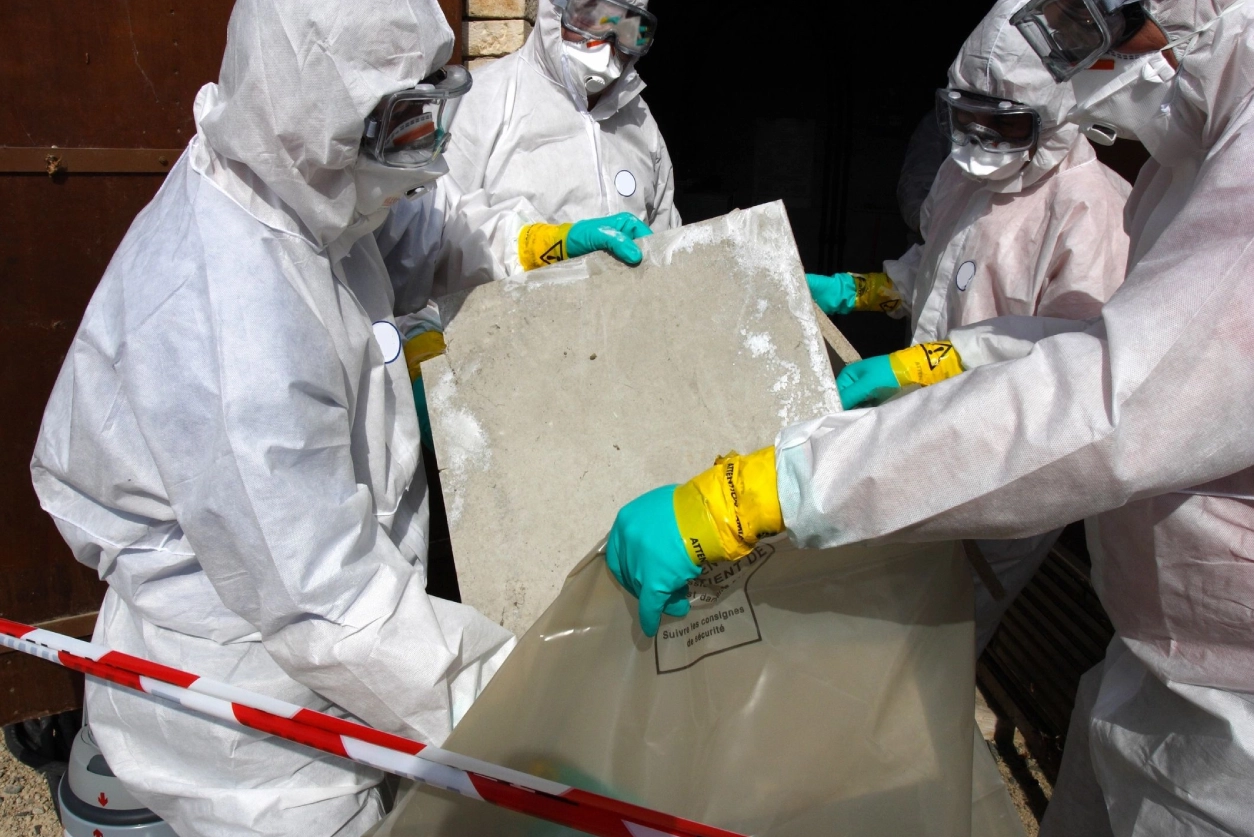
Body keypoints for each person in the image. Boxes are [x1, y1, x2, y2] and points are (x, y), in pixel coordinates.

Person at [604, 0, 1254, 834]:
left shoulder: (1111, 191)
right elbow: (1082, 341)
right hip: (1153, 654)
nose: (1076, 51)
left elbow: (1107, 401)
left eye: (1086, 21)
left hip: (1229, 711)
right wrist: (910, 338)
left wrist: (775, 487)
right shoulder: (1195, 146)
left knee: (924, 646)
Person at [28, 1, 534, 834]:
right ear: (316, 113)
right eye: (403, 123)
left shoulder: (294, 182)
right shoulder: (230, 326)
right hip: (249, 718)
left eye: (432, 108)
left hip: (313, 647)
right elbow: (333, 606)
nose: (426, 152)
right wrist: (532, 713)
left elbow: (408, 234)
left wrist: (533, 243)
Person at [810, 3, 1133, 653]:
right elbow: (934, 268)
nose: (980, 138)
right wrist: (860, 291)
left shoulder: (1091, 212)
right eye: (968, 117)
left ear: (1055, 115)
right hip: (919, 424)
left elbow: (1067, 367)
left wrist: (921, 367)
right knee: (879, 602)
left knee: (939, 636)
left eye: (1002, 123)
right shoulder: (963, 176)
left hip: (1005, 461)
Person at [435, 0, 679, 286]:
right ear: (556, 10)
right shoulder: (480, 103)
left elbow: (667, 244)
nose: (605, 47)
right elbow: (437, 240)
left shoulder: (640, 122)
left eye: (626, 29)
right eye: (591, 18)